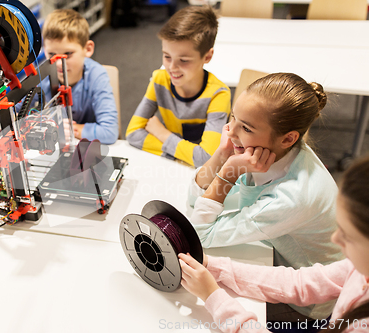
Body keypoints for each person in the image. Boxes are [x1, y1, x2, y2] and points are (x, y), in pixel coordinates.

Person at [188, 72, 344, 323]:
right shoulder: (276, 152)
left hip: (307, 307)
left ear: (288, 138)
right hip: (277, 261)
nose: (230, 132)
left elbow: (200, 235)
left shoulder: (291, 197)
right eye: (233, 119)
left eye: (246, 127)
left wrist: (229, 172)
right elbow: (196, 200)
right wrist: (221, 154)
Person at [179, 154, 369, 333]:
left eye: (348, 235)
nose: (335, 239)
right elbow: (300, 283)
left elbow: (201, 229)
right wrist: (215, 267)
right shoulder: (357, 269)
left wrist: (214, 298)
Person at [125, 5, 231, 167]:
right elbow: (132, 134)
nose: (172, 68)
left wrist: (162, 134)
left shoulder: (218, 94)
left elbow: (207, 159)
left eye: (184, 60)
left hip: (199, 177)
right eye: (167, 56)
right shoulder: (159, 80)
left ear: (207, 56)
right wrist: (183, 155)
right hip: (172, 166)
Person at [40, 9, 118, 145]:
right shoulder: (41, 77)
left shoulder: (97, 75)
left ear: (88, 49)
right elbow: (18, 119)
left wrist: (68, 129)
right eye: (51, 54)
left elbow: (109, 132)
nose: (59, 63)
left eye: (68, 53)